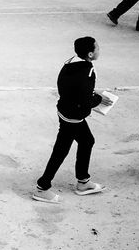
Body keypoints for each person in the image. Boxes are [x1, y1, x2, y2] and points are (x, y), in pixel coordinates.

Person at [33, 37, 106, 203]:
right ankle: (42, 188)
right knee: (60, 151)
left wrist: (91, 96)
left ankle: (83, 181)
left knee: (87, 141)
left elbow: (70, 87)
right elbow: (85, 100)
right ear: (90, 53)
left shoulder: (70, 62)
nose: (99, 50)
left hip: (65, 110)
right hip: (73, 117)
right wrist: (98, 100)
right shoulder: (86, 71)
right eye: (97, 48)